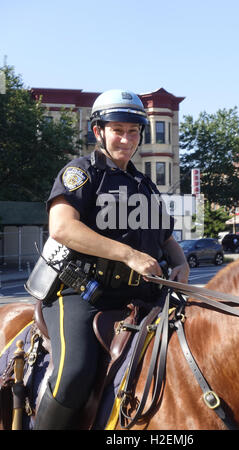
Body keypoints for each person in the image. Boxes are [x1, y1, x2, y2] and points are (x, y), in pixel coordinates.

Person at [33, 89, 189, 429]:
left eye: (133, 131)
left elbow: (164, 237)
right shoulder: (80, 173)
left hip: (139, 296)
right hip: (81, 292)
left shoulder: (144, 184)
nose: (127, 138)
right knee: (73, 374)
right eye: (118, 130)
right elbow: (61, 228)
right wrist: (129, 254)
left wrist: (181, 263)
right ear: (99, 131)